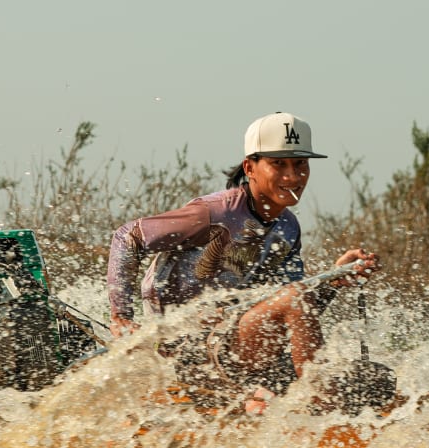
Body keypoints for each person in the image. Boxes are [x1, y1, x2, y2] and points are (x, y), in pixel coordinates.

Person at [107, 111, 376, 409]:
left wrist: (335, 280)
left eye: (300, 164)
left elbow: (297, 314)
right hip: (182, 349)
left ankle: (306, 406)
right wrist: (122, 317)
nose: (292, 176)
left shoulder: (288, 227)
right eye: (278, 164)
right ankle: (321, 407)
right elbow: (127, 237)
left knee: (372, 381)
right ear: (250, 167)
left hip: (234, 345)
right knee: (295, 301)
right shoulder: (214, 213)